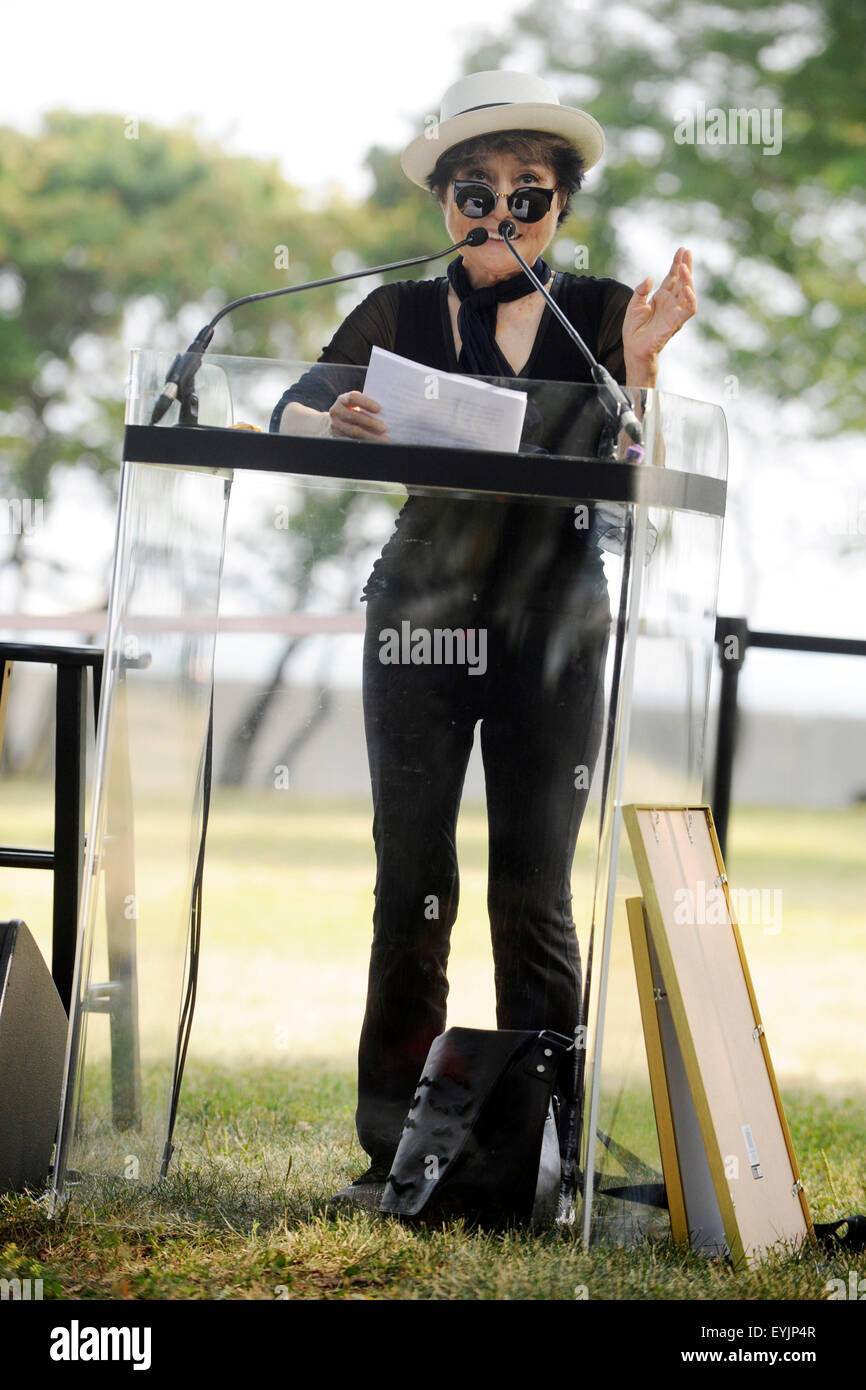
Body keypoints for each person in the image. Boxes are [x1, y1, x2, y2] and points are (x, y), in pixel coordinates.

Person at [271, 70, 696, 1209]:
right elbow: (288, 409)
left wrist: (645, 371)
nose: (499, 214)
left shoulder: (601, 314)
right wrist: (335, 415)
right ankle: (392, 1152)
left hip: (552, 617)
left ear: (562, 208)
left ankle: (534, 1154)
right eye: (475, 191)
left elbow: (635, 474)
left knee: (532, 886)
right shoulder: (395, 315)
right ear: (444, 205)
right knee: (410, 878)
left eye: (528, 195)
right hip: (419, 609)